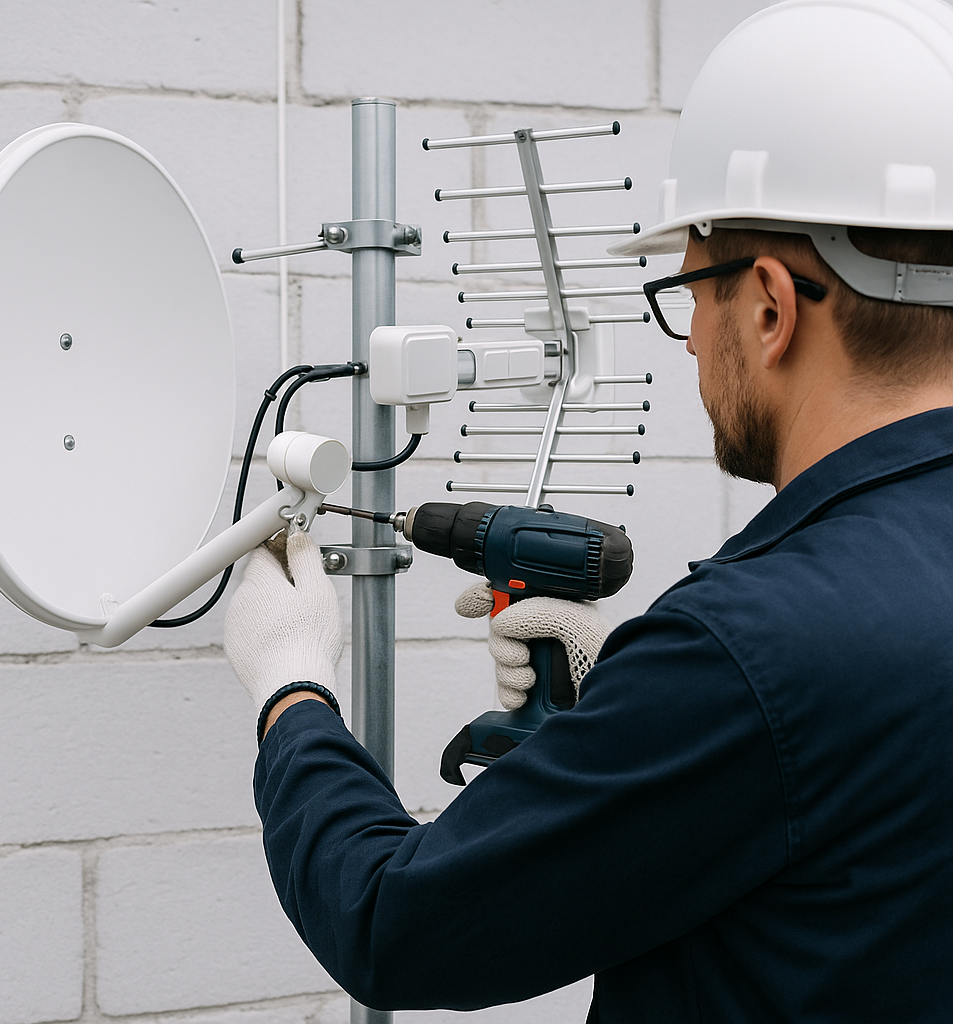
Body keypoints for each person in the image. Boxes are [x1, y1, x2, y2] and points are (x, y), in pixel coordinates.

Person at [223, 1, 953, 1019]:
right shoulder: (773, 657)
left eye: (690, 293)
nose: (689, 340)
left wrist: (291, 687)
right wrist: (635, 720)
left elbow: (394, 924)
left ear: (769, 306)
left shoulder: (752, 652)